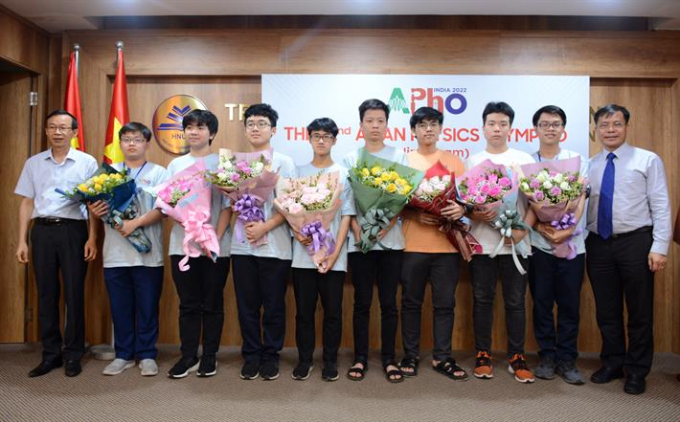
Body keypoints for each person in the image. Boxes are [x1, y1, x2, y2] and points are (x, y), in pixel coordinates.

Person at [586, 104, 671, 395]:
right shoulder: (590, 165)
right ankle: (612, 363)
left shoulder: (647, 160)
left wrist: (659, 247)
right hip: (598, 243)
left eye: (616, 124)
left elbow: (660, 204)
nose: (610, 130)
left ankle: (636, 370)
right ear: (596, 130)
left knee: (639, 310)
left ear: (626, 126)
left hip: (636, 242)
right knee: (606, 309)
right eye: (604, 125)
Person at [15, 109, 98, 377]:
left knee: (74, 293)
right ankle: (50, 354)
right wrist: (22, 240)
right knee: (46, 294)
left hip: (74, 232)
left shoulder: (86, 162)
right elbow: (27, 202)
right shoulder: (34, 163)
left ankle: (73, 354)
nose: (57, 132)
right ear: (46, 131)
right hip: (42, 232)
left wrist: (92, 237)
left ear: (74, 132)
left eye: (63, 128)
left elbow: (94, 203)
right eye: (52, 127)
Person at [87, 122, 168, 377]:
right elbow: (95, 207)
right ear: (120, 144)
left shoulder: (159, 172)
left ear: (147, 143)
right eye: (127, 139)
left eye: (137, 139)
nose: (132, 144)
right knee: (120, 307)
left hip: (148, 254)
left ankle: (147, 354)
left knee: (147, 307)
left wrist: (135, 223)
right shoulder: (107, 173)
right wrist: (95, 210)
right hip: (115, 253)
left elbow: (164, 209)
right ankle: (123, 354)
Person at [466, 101, 536, 383]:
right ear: (483, 128)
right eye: (492, 123)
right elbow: (466, 206)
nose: (497, 128)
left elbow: (536, 204)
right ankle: (482, 353)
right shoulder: (472, 161)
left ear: (510, 128)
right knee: (482, 300)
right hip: (483, 243)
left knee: (516, 302)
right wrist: (477, 214)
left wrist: (521, 232)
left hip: (516, 245)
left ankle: (516, 356)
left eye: (503, 124)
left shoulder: (523, 160)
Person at [399, 107, 468, 380]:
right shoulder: (404, 161)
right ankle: (410, 355)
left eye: (433, 124)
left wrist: (461, 209)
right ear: (413, 130)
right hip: (412, 245)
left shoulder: (454, 161)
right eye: (422, 125)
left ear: (440, 129)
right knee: (410, 303)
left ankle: (442, 357)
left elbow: (467, 199)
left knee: (445, 304)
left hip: (447, 247)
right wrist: (413, 213)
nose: (428, 129)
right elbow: (393, 203)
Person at [342, 98, 406, 383]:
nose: (375, 125)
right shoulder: (351, 158)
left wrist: (386, 225)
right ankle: (360, 358)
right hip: (360, 243)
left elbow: (403, 197)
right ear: (361, 125)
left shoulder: (399, 156)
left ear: (387, 124)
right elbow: (347, 200)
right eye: (370, 121)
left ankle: (390, 359)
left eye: (380, 121)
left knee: (389, 303)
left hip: (391, 241)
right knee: (362, 302)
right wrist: (357, 228)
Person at [231, 103, 296, 381]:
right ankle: (251, 355)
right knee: (246, 306)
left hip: (275, 247)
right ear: (245, 129)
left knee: (273, 305)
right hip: (241, 245)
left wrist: (265, 227)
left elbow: (291, 205)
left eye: (261, 123)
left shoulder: (284, 162)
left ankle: (271, 355)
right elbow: (230, 200)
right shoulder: (235, 162)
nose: (255, 128)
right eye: (250, 124)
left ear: (273, 130)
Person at [166, 109, 232, 379]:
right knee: (188, 303)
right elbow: (168, 203)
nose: (194, 132)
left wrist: (212, 238)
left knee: (213, 302)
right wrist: (191, 227)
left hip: (216, 246)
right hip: (183, 245)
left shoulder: (223, 164)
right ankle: (188, 355)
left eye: (200, 127)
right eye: (189, 127)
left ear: (212, 133)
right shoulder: (176, 165)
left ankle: (210, 356)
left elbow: (228, 206)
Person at [290, 117, 354, 382]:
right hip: (302, 255)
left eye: (327, 136)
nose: (321, 140)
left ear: (334, 140)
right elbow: (289, 210)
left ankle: (330, 361)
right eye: (316, 135)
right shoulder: (297, 172)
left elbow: (347, 215)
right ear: (309, 139)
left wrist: (335, 252)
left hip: (332, 256)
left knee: (333, 313)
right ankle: (305, 360)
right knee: (304, 312)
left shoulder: (344, 174)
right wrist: (298, 233)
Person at [527, 106, 587, 385]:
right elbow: (525, 206)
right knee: (541, 303)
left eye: (556, 124)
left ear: (563, 129)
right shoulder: (528, 164)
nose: (550, 128)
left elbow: (581, 198)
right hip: (539, 246)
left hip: (572, 246)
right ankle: (547, 356)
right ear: (535, 129)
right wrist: (542, 227)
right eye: (544, 124)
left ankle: (567, 358)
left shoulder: (577, 161)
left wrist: (568, 229)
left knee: (569, 305)